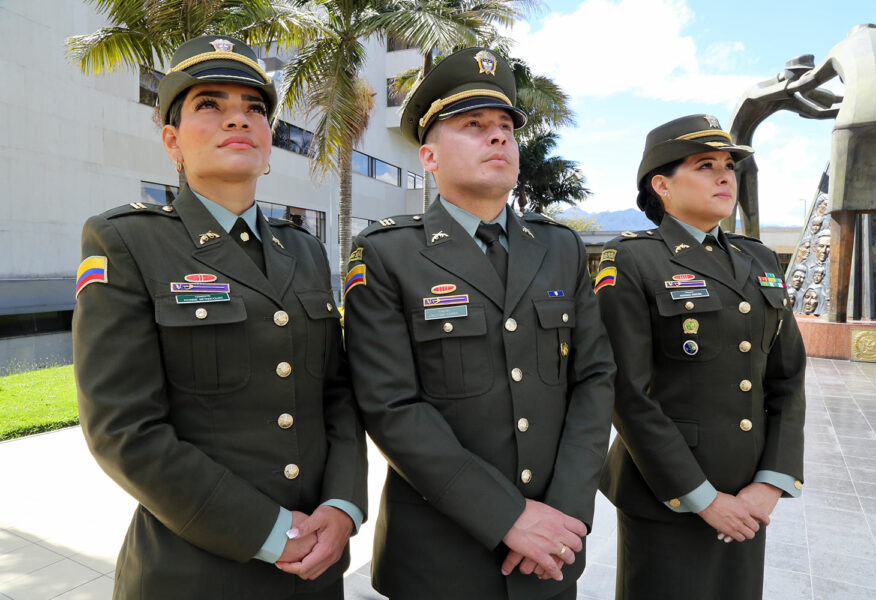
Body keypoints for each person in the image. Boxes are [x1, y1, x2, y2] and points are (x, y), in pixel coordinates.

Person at [72, 35, 367, 600]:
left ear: (269, 142)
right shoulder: (124, 241)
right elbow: (122, 428)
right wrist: (271, 532)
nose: (239, 119)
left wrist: (343, 506)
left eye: (254, 109)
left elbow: (337, 393)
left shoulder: (303, 251)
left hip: (315, 567)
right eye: (210, 104)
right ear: (171, 141)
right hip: (192, 571)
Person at [343, 47, 616, 600]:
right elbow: (390, 406)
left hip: (552, 551)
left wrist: (565, 513)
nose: (498, 138)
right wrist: (508, 516)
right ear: (428, 155)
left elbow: (594, 380)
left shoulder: (561, 247)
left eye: (505, 128)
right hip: (440, 558)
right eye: (473, 125)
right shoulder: (387, 253)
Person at [594, 115, 806, 600]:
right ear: (662, 185)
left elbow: (787, 378)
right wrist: (703, 498)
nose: (725, 175)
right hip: (667, 489)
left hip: (749, 491)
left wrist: (771, 481)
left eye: (729, 165)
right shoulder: (632, 259)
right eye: (705, 164)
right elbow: (626, 392)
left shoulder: (761, 260)